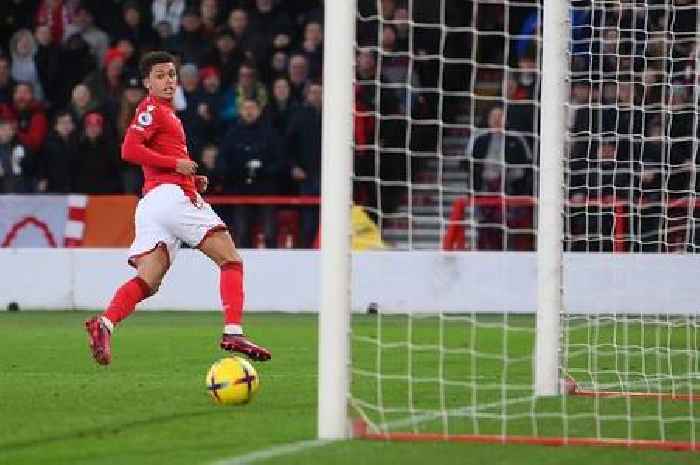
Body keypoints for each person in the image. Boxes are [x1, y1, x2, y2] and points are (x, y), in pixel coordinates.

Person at [84, 51, 271, 365]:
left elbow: (155, 162)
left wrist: (189, 177)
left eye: (172, 74)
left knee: (149, 280)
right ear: (147, 82)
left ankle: (105, 323)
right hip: (170, 199)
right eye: (160, 75)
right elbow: (129, 149)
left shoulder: (167, 114)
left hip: (155, 202)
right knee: (231, 260)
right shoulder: (152, 109)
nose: (168, 81)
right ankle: (233, 331)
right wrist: (177, 166)